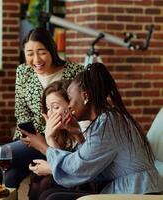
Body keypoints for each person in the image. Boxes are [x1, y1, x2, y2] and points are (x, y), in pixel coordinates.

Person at [21, 63, 163, 200]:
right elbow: (88, 161)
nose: (69, 105)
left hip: (137, 192)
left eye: (70, 98)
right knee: (48, 194)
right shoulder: (105, 120)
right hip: (128, 189)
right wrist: (77, 133)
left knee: (51, 197)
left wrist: (44, 145)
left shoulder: (108, 123)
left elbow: (78, 167)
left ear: (85, 96)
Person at [0, 27, 84, 188]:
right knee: (11, 175)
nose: (36, 59)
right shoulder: (23, 72)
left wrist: (52, 134)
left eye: (41, 52)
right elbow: (21, 111)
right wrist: (32, 136)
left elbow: (81, 109)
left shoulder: (76, 71)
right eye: (30, 53)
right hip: (30, 138)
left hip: (65, 139)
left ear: (52, 50)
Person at [27, 80, 86, 200]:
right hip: (72, 178)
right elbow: (61, 163)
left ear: (71, 105)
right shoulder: (62, 132)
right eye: (48, 108)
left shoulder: (83, 126)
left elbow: (74, 168)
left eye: (55, 107)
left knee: (45, 185)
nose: (50, 113)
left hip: (86, 181)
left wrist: (49, 138)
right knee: (37, 182)